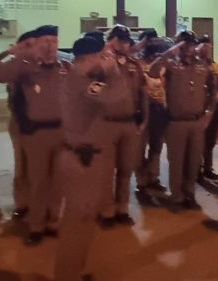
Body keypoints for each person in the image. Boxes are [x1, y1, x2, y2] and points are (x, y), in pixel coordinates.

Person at [0, 25, 68, 246]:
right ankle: (35, 224)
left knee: (58, 181)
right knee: (36, 179)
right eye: (45, 41)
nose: (50, 46)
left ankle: (53, 221)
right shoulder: (25, 67)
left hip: (62, 132)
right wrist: (18, 54)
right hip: (33, 131)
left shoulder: (66, 67)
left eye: (54, 41)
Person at [55, 33, 115, 281]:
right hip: (80, 159)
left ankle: (74, 272)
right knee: (76, 221)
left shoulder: (80, 78)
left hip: (86, 156)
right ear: (92, 57)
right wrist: (112, 72)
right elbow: (116, 99)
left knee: (85, 218)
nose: (106, 59)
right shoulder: (79, 81)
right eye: (103, 55)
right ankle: (67, 275)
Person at [149, 31, 216, 210]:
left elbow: (213, 91)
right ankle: (177, 196)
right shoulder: (171, 64)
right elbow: (153, 71)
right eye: (184, 43)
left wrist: (209, 112)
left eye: (191, 44)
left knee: (193, 162)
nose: (188, 47)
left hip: (197, 122)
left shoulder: (203, 65)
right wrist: (169, 53)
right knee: (177, 162)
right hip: (175, 122)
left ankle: (190, 194)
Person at [0, 30, 35, 219]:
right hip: (19, 121)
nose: (31, 49)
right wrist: (8, 53)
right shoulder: (12, 66)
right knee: (22, 165)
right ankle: (22, 204)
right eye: (26, 45)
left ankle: (41, 203)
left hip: (42, 123)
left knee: (41, 165)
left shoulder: (43, 64)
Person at [97, 25, 148, 228]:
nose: (124, 44)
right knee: (106, 171)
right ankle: (106, 211)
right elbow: (91, 92)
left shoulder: (134, 65)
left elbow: (143, 94)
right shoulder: (100, 64)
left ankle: (122, 209)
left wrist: (144, 119)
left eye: (126, 41)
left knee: (126, 169)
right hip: (106, 123)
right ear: (111, 41)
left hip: (129, 123)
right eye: (120, 40)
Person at [135, 37, 171, 202]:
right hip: (142, 111)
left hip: (159, 111)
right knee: (140, 148)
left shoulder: (163, 66)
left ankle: (153, 177)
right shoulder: (137, 64)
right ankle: (141, 181)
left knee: (156, 147)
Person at [197, 35, 218, 182]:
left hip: (213, 109)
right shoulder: (195, 64)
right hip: (198, 109)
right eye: (204, 46)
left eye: (209, 46)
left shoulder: (214, 66)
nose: (207, 49)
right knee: (198, 142)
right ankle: (197, 170)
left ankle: (208, 168)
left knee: (209, 142)